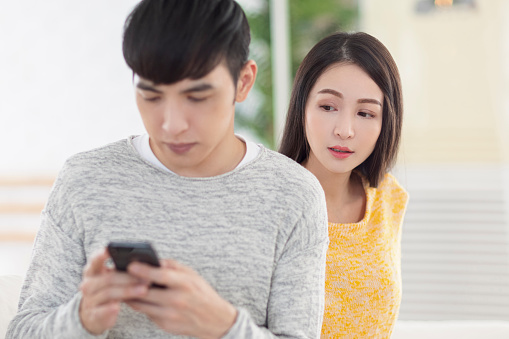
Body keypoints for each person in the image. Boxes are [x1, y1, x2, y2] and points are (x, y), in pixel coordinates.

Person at [7, 0, 329, 338]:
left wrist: (225, 327)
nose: (171, 125)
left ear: (244, 82)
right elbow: (23, 331)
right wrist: (81, 319)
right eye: (151, 95)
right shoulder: (84, 181)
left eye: (197, 97)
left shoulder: (294, 195)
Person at [279, 31, 408, 338]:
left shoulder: (389, 198)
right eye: (328, 107)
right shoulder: (270, 199)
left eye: (365, 113)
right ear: (302, 107)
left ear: (385, 122)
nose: (345, 130)